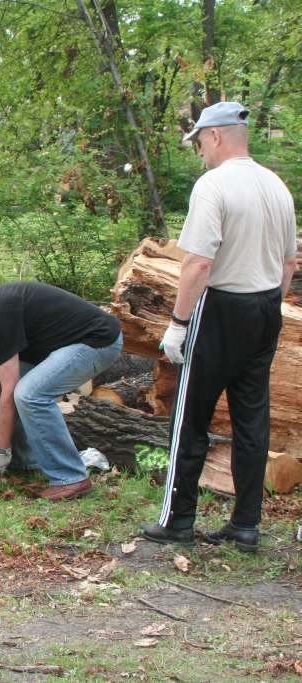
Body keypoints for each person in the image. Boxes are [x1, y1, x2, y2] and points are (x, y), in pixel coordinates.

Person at [141, 102, 297, 552]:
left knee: (190, 415)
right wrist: (271, 303)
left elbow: (198, 263)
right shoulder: (276, 185)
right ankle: (246, 524)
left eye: (200, 143)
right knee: (251, 418)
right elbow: (289, 261)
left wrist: (178, 323)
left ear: (215, 137)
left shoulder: (214, 185)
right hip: (266, 305)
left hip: (220, 309)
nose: (200, 153)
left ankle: (178, 520)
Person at [0, 276, 123, 500]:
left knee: (30, 394)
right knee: (15, 390)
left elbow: (11, 389)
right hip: (60, 348)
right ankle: (28, 463)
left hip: (96, 342)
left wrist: (0, 449)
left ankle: (70, 478)